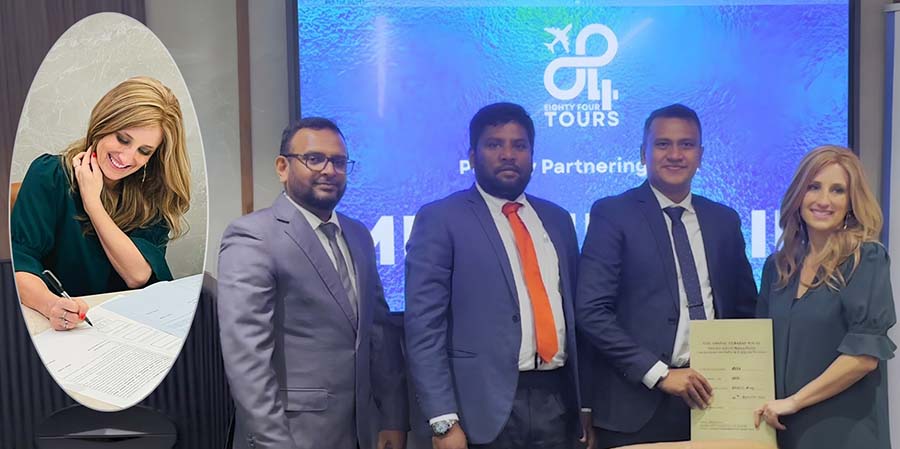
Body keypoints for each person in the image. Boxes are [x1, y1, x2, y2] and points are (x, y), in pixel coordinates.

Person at [405, 102, 592, 449]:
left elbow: (576, 319)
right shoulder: (441, 219)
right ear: (472, 156)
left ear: (532, 156)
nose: (508, 155)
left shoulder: (558, 220)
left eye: (519, 145)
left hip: (558, 402)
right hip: (479, 408)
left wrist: (584, 404)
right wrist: (443, 421)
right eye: (494, 144)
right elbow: (424, 328)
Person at [217, 117, 408, 449]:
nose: (329, 170)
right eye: (314, 159)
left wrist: (393, 417)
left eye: (339, 162)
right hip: (289, 436)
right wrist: (274, 443)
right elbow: (247, 358)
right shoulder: (253, 236)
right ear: (282, 167)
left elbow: (378, 333)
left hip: (361, 432)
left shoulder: (359, 235)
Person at [576, 103, 757, 448]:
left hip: (716, 398)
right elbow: (591, 311)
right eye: (663, 144)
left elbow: (745, 310)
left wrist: (749, 381)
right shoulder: (613, 214)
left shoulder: (724, 220)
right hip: (636, 403)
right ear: (642, 153)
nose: (675, 154)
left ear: (700, 155)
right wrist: (659, 374)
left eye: (686, 144)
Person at [11, 76, 191, 331]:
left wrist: (93, 204)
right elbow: (20, 263)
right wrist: (51, 305)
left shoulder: (151, 193)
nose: (127, 157)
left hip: (131, 328)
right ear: (103, 124)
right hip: (60, 328)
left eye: (144, 151)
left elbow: (137, 275)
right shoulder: (49, 175)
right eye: (123, 139)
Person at [754, 145, 895, 449]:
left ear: (851, 202)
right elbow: (759, 348)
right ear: (798, 194)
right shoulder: (777, 267)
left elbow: (863, 359)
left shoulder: (866, 259)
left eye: (837, 190)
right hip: (781, 428)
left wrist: (794, 401)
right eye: (813, 187)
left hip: (843, 432)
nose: (823, 200)